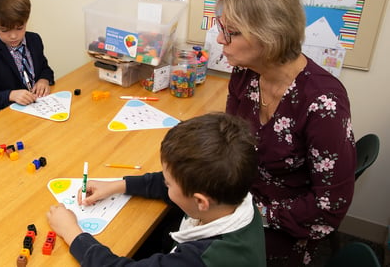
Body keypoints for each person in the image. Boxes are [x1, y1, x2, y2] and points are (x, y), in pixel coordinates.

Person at [216, 0, 356, 265]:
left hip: (288, 225)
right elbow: (231, 142)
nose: (220, 39)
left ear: (271, 36)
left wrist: (247, 216)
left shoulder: (323, 103)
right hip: (242, 199)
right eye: (221, 28)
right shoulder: (245, 74)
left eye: (232, 32)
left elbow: (329, 207)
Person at [47, 112, 267, 266]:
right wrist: (117, 185)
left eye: (169, 183)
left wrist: (72, 233)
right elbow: (174, 185)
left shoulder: (202, 259)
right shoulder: (235, 197)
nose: (164, 184)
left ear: (201, 201)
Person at [0, 0, 55, 116]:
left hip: (36, 110)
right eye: (4, 30)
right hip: (6, 116)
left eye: (20, 28)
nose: (13, 35)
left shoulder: (34, 40)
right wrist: (11, 95)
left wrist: (44, 80)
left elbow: (45, 69)